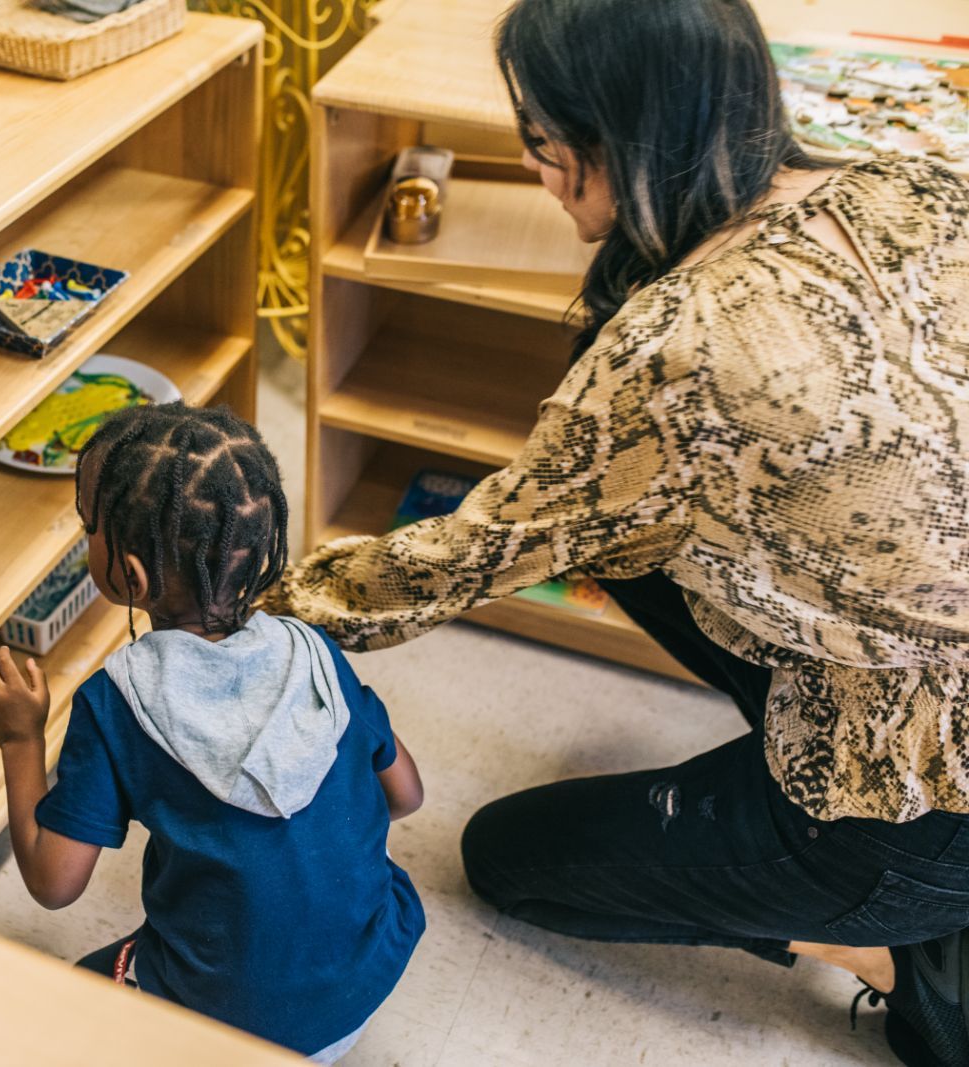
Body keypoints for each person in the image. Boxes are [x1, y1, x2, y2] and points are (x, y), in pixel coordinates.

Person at [268, 0, 969, 1064]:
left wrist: (243, 607)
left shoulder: (677, 352)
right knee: (611, 529)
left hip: (913, 813)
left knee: (507, 858)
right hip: (927, 673)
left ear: (624, 143)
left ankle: (906, 958)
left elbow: (470, 555)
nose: (540, 180)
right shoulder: (909, 178)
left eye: (546, 150)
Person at [0, 403, 425, 1062]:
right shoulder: (317, 653)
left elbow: (53, 881)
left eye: (89, 526)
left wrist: (20, 740)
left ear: (131, 576)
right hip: (368, 979)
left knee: (73, 997)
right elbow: (407, 795)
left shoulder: (117, 705)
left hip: (236, 1028)